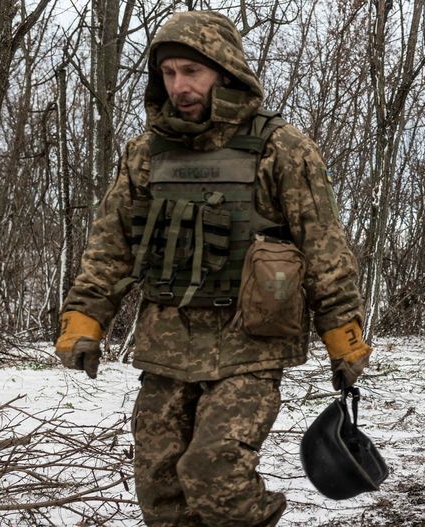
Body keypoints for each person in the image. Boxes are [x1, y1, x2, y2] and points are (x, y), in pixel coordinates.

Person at [54, 11, 369, 527]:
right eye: (170, 73)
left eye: (192, 72)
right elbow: (111, 246)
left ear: (224, 72)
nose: (179, 85)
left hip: (250, 343)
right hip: (167, 344)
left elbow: (325, 250)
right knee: (159, 482)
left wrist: (343, 335)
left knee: (214, 473)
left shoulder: (280, 149)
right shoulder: (144, 154)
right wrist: (85, 319)